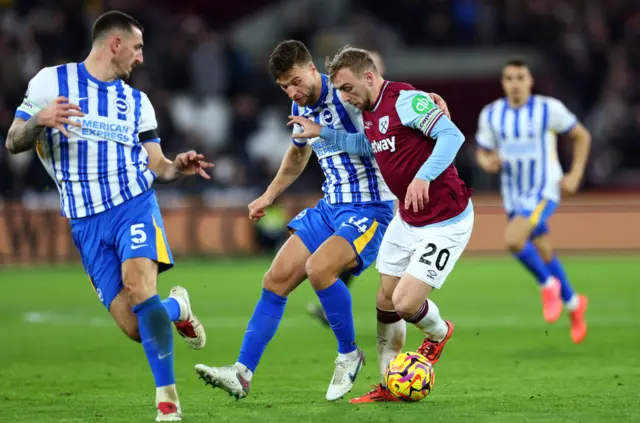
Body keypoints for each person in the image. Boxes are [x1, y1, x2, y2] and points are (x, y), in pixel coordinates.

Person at [194, 40, 449, 402]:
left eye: (296, 80)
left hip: (370, 208)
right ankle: (242, 373)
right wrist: (268, 196)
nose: (293, 91)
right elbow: (298, 155)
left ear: (313, 69)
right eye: (284, 87)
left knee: (319, 270)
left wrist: (429, 99)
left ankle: (349, 355)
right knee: (276, 278)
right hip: (330, 207)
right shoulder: (300, 104)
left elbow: (389, 100)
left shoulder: (347, 94)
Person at [6, 11, 212, 421]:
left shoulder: (138, 102)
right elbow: (13, 141)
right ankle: (178, 308)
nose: (140, 58)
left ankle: (167, 403)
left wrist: (177, 166)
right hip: (85, 222)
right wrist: (40, 120)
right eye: (137, 48)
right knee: (138, 327)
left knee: (140, 289)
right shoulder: (51, 82)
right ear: (114, 44)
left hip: (133, 205)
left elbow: (158, 165)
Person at [288, 45, 473, 403]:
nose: (344, 97)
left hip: (446, 220)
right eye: (339, 90)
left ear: (369, 77)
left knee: (404, 303)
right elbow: (363, 144)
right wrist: (319, 131)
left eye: (347, 88)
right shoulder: (370, 111)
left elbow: (453, 136)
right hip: (409, 218)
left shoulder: (407, 100)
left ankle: (438, 333)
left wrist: (423, 176)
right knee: (386, 300)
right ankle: (390, 383)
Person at [475, 58, 590, 343]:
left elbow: (582, 136)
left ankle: (547, 284)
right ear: (503, 82)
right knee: (543, 249)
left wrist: (574, 175)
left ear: (530, 81)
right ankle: (575, 303)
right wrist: (487, 162)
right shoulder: (491, 114)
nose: (515, 83)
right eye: (509, 78)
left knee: (514, 240)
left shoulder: (547, 109)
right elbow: (482, 151)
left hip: (544, 188)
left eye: (520, 77)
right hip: (513, 194)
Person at [305, 49, 386, 327]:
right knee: (346, 255)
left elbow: (368, 145)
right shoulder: (353, 108)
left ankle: (404, 308)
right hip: (361, 197)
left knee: (393, 264)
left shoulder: (391, 105)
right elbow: (362, 144)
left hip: (385, 195)